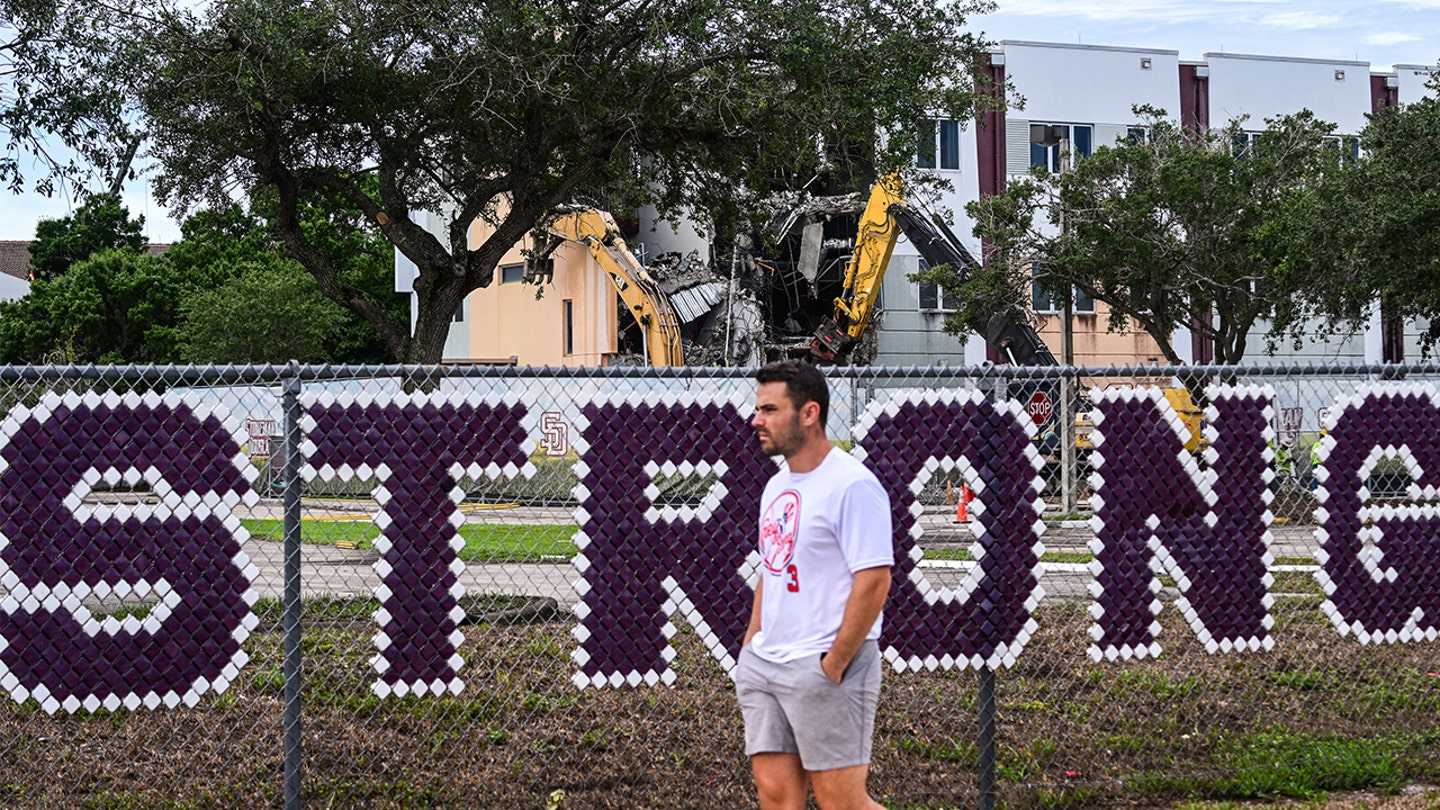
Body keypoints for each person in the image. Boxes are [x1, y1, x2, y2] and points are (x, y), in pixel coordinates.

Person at [736, 360, 894, 810]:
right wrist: (753, 641)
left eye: (769, 409)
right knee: (776, 797)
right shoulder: (777, 485)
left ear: (809, 413)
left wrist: (835, 661)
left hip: (825, 666)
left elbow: (875, 579)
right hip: (767, 663)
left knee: (842, 803)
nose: (756, 420)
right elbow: (773, 564)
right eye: (757, 408)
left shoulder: (852, 485)